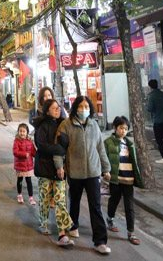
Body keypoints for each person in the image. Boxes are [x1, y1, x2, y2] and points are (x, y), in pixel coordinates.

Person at [56, 96, 112, 255]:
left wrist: (106, 168)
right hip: (74, 172)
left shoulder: (94, 125)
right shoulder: (66, 125)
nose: (83, 109)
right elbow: (59, 149)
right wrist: (60, 166)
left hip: (93, 172)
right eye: (80, 106)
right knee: (74, 201)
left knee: (96, 206)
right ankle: (73, 226)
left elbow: (100, 148)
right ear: (75, 108)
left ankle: (100, 241)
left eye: (86, 106)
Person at [33, 99, 73, 246]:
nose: (57, 110)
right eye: (54, 108)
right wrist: (57, 149)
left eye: (58, 108)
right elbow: (41, 146)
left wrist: (61, 151)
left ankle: (62, 231)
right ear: (47, 110)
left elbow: (67, 144)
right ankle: (43, 222)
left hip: (60, 169)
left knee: (60, 199)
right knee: (44, 198)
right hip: (44, 168)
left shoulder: (63, 124)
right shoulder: (42, 126)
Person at [104, 116, 143, 245]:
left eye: (125, 129)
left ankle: (131, 232)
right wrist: (106, 172)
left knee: (129, 206)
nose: (123, 131)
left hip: (128, 179)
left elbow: (134, 162)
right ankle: (110, 219)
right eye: (121, 128)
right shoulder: (108, 142)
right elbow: (104, 158)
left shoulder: (129, 143)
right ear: (115, 128)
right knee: (114, 200)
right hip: (115, 179)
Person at [13, 123, 36, 205]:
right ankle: (19, 195)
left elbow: (33, 152)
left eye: (24, 131)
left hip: (29, 165)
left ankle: (31, 197)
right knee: (20, 180)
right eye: (20, 131)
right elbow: (15, 152)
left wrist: (37, 155)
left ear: (27, 132)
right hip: (20, 165)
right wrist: (24, 154)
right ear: (18, 132)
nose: (22, 133)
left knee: (29, 181)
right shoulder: (16, 141)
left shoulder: (30, 141)